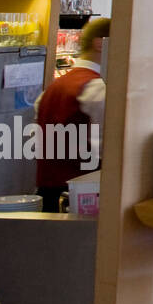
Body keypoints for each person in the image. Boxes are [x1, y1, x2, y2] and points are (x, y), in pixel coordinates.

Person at [35, 17, 109, 212]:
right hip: (77, 197)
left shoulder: (54, 88)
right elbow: (104, 151)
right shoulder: (96, 88)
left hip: (47, 191)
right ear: (101, 44)